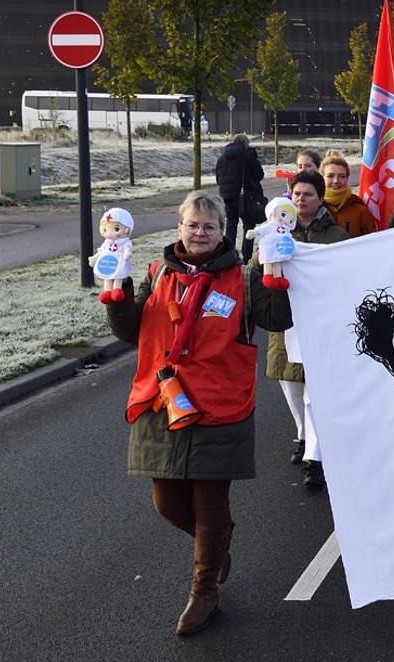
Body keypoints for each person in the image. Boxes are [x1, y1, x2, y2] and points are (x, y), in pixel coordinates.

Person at [106, 190, 293, 636]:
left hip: (219, 405)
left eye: (209, 226)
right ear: (179, 228)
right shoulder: (157, 274)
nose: (200, 233)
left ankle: (204, 591)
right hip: (162, 400)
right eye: (192, 225)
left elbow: (278, 319)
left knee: (210, 505)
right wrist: (118, 289)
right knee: (167, 503)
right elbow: (130, 331)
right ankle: (216, 543)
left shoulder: (242, 279)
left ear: (222, 231)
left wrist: (277, 268)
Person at [252, 170, 349, 487]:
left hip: (320, 324)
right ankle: (303, 435)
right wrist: (266, 250)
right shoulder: (275, 230)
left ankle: (315, 457)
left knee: (315, 395)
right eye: (296, 194)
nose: (301, 200)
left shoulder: (335, 236)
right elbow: (256, 271)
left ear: (320, 199)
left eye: (308, 194)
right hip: (285, 323)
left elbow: (344, 275)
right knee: (292, 389)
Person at [214, 134, 266, 259]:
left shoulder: (222, 157)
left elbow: (218, 177)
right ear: (245, 143)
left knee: (231, 225)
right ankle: (247, 256)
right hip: (246, 196)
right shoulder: (247, 155)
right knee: (248, 225)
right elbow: (259, 174)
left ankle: (229, 255)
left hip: (228, 196)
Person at [319, 151, 377, 238]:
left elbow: (372, 240)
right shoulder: (313, 207)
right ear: (322, 177)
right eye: (330, 176)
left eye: (342, 176)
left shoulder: (360, 210)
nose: (336, 181)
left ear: (347, 178)